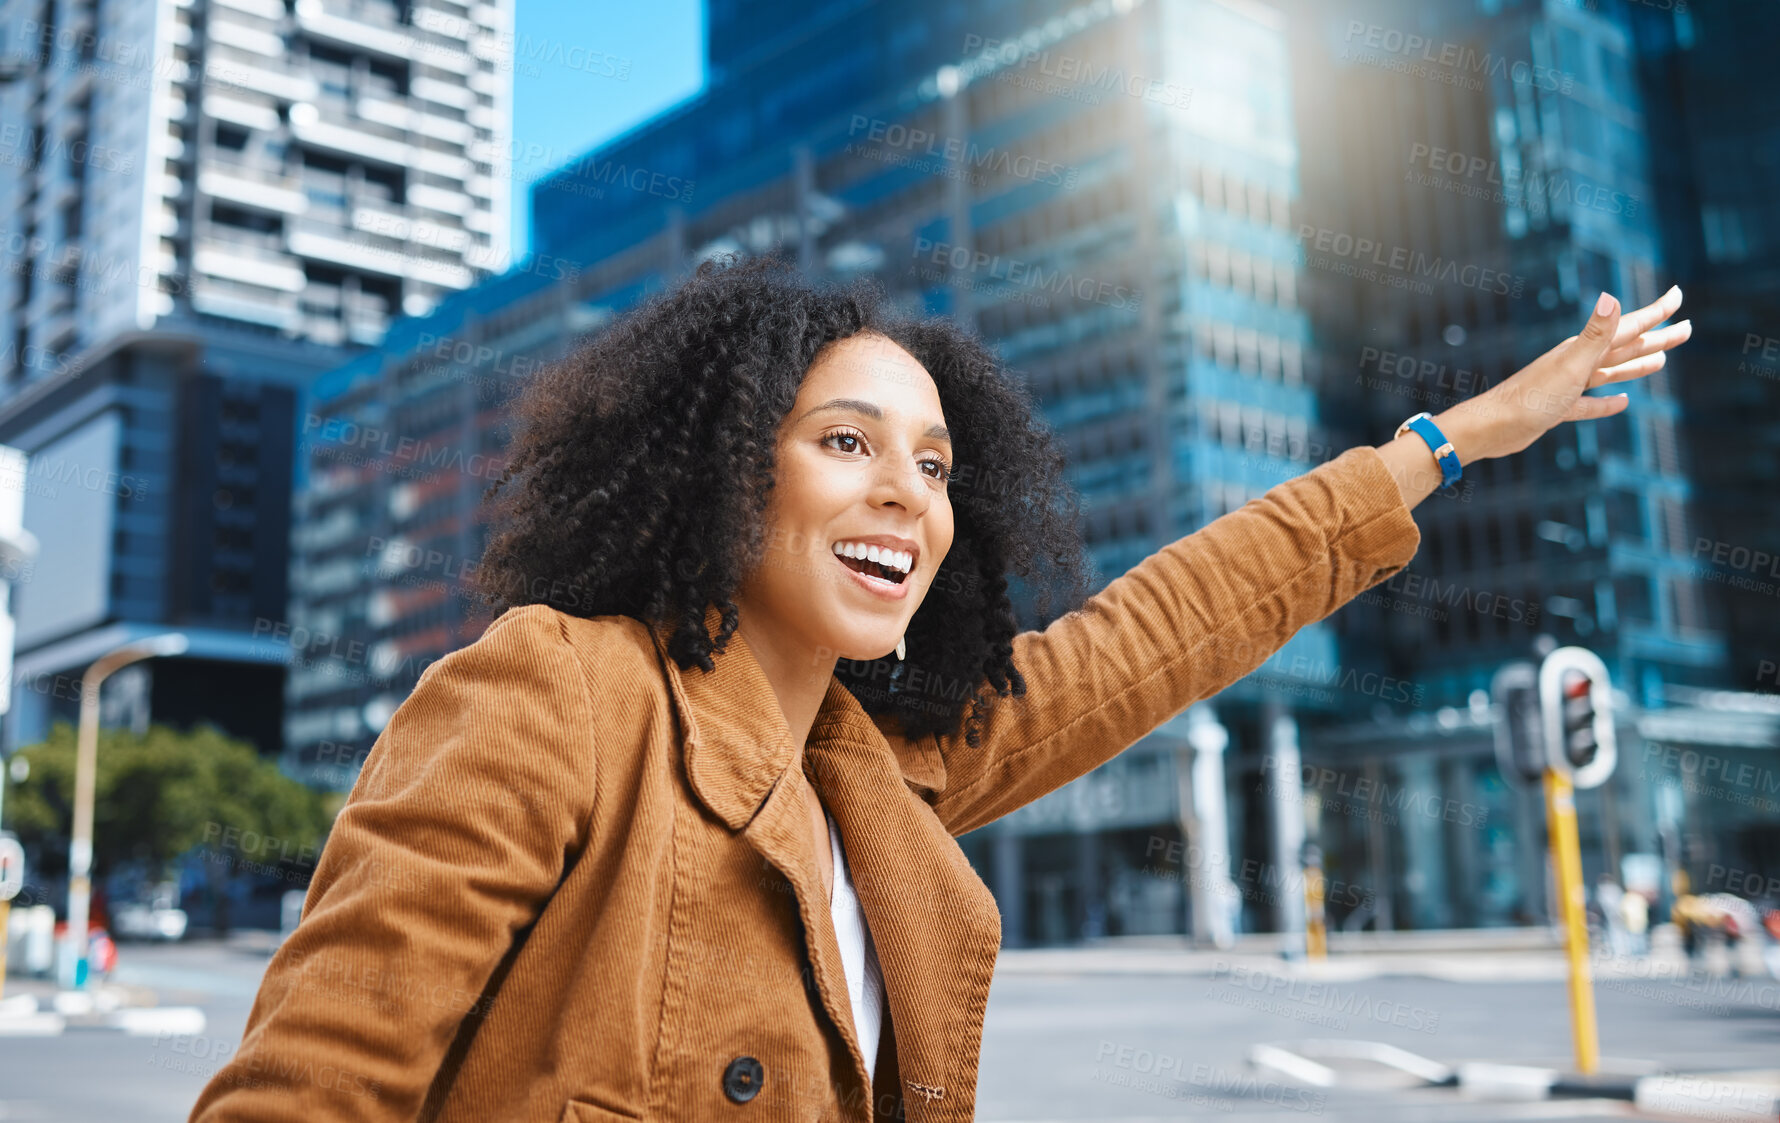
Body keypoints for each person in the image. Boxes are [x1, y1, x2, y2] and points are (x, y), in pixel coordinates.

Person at [189, 257, 1690, 1122]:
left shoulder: (887, 772)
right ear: (721, 468)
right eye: (845, 443)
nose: (904, 492)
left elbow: (1161, 629)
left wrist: (1442, 447)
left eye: (934, 464)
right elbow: (308, 1095)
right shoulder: (558, 694)